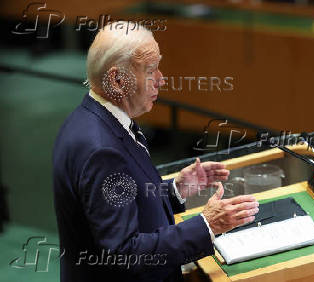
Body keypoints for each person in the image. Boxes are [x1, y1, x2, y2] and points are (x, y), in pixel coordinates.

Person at [52, 21, 259, 282]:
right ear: (117, 80)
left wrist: (174, 190)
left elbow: (125, 205)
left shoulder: (95, 120)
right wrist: (207, 224)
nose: (161, 79)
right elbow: (125, 253)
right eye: (150, 71)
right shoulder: (102, 151)